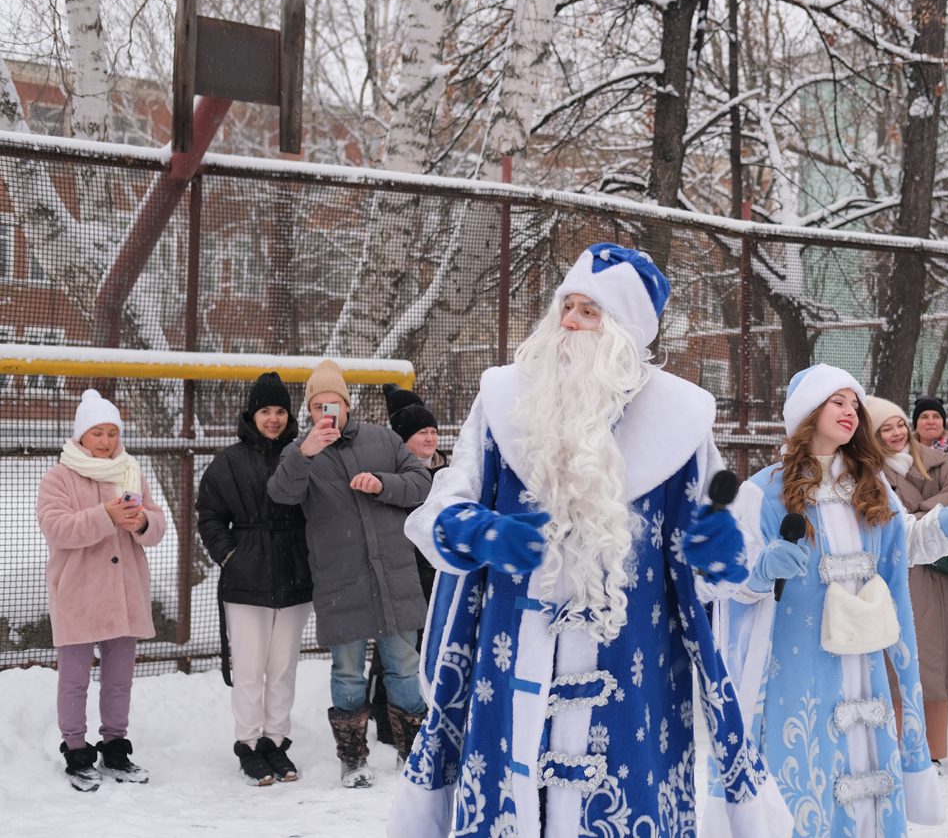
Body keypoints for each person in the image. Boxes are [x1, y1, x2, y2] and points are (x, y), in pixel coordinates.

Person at [389, 244, 791, 838]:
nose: (569, 323)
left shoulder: (679, 423)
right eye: (567, 306)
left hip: (635, 679)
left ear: (625, 334)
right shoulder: (504, 401)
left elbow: (731, 553)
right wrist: (480, 531)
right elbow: (437, 511)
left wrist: (719, 548)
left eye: (589, 312)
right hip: (513, 664)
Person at [711, 364, 948, 837]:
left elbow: (912, 542)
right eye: (837, 401)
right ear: (809, 411)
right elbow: (724, 580)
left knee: (866, 781)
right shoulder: (762, 492)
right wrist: (760, 572)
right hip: (798, 670)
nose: (850, 411)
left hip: (866, 666)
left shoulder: (871, 484)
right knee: (807, 781)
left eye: (855, 404)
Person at [267, 359, 432, 788]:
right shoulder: (299, 452)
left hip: (394, 576)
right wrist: (305, 452)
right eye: (318, 405)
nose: (327, 412)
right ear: (309, 411)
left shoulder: (383, 439)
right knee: (346, 672)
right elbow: (281, 494)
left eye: (334, 403)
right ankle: (353, 759)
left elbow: (421, 483)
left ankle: (412, 752)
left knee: (404, 667)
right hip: (341, 582)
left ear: (347, 403)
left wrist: (382, 484)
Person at [36, 388, 167, 791]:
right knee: (74, 679)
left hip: (123, 596)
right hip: (78, 594)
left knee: (119, 679)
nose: (106, 441)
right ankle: (76, 752)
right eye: (98, 433)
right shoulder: (59, 476)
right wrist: (105, 516)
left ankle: (115, 749)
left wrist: (141, 523)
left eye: (112, 432)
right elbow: (56, 527)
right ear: (81, 436)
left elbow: (158, 524)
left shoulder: (130, 471)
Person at [197, 372, 313, 786]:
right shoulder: (229, 461)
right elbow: (209, 513)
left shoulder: (304, 453)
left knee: (283, 666)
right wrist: (230, 554)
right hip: (246, 580)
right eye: (266, 410)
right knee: (249, 668)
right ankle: (248, 744)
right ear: (252, 413)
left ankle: (275, 741)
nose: (274, 418)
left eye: (281, 410)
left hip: (295, 577)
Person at [867, 395, 948, 770]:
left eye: (900, 424)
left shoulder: (937, 460)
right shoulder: (868, 468)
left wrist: (919, 514)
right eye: (887, 428)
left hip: (938, 572)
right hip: (898, 572)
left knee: (934, 662)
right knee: (896, 661)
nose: (897, 432)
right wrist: (918, 516)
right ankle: (899, 745)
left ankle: (933, 748)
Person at [367, 383, 447, 748]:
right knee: (398, 651)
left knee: (432, 643)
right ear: (403, 439)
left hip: (439, 571)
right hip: (403, 570)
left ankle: (427, 711)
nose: (430, 438)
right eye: (421, 433)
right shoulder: (394, 475)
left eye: (433, 431)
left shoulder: (449, 472)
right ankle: (385, 717)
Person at [912, 395, 948, 472]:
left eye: (936, 416)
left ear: (943, 424)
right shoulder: (904, 455)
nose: (931, 422)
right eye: (924, 417)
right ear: (916, 425)